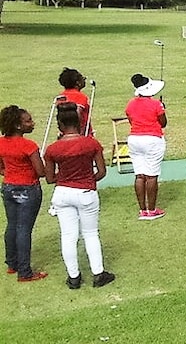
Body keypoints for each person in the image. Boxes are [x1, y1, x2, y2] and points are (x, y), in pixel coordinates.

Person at [43, 103, 115, 289]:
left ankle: (73, 277)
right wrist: (86, 178)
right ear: (80, 122)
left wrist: (66, 177)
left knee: (68, 235)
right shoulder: (91, 143)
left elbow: (50, 178)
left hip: (62, 193)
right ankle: (98, 273)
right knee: (90, 234)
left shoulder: (52, 149)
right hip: (85, 192)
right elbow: (101, 172)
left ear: (59, 125)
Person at [0, 105, 46, 282]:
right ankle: (25, 272)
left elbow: (1, 167)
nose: (32, 123)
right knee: (24, 229)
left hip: (8, 187)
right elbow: (41, 171)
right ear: (18, 126)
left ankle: (12, 264)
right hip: (28, 189)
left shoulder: (1, 142)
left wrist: (9, 173)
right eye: (28, 121)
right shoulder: (29, 146)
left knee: (12, 225)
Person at [125, 74, 167, 220]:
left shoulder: (130, 104)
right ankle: (152, 209)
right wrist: (162, 109)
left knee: (139, 174)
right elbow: (163, 123)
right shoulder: (156, 104)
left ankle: (142, 209)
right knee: (152, 175)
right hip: (152, 139)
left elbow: (131, 120)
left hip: (134, 139)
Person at [58, 68, 93, 135]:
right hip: (81, 135)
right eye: (83, 78)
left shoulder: (61, 96)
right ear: (78, 83)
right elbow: (78, 114)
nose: (84, 79)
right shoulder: (80, 97)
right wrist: (80, 134)